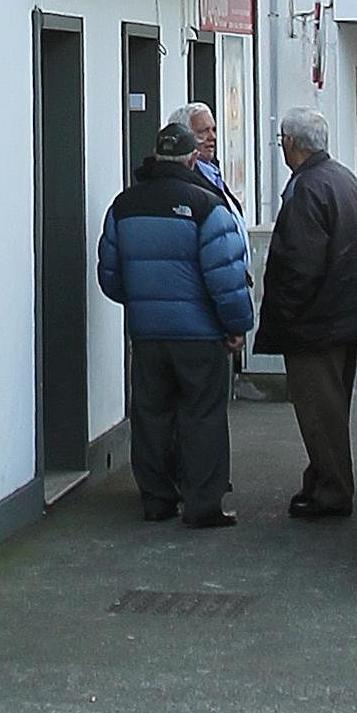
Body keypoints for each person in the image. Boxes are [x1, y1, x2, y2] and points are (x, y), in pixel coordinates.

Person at [97, 111, 254, 529]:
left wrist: (142, 304)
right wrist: (236, 325)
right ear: (191, 161)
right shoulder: (207, 206)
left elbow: (109, 275)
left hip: (147, 335)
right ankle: (203, 505)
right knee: (201, 417)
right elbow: (227, 277)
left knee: (151, 415)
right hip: (200, 337)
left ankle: (156, 500)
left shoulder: (123, 205)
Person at [256, 105, 357, 523]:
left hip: (316, 321)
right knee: (332, 405)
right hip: (346, 313)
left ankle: (332, 490)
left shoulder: (307, 188)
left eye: (281, 142)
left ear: (291, 143)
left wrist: (284, 317)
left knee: (317, 408)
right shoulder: (344, 179)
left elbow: (298, 263)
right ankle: (323, 479)